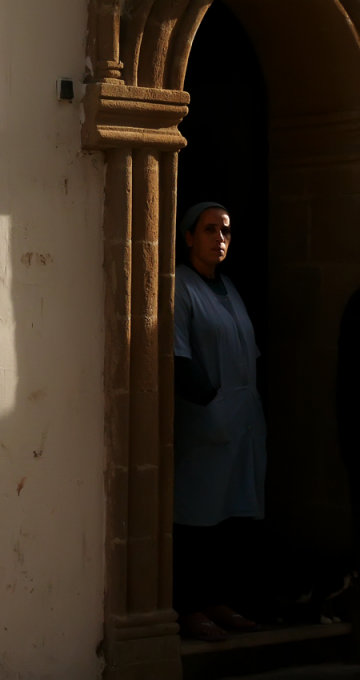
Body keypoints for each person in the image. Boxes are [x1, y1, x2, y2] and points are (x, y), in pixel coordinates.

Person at [173, 202, 267, 641]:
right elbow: (178, 355)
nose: (220, 239)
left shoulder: (229, 287)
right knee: (197, 520)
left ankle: (219, 601)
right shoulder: (181, 287)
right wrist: (209, 401)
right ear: (189, 237)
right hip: (204, 426)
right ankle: (190, 608)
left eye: (226, 231)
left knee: (232, 518)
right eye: (210, 230)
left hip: (241, 424)